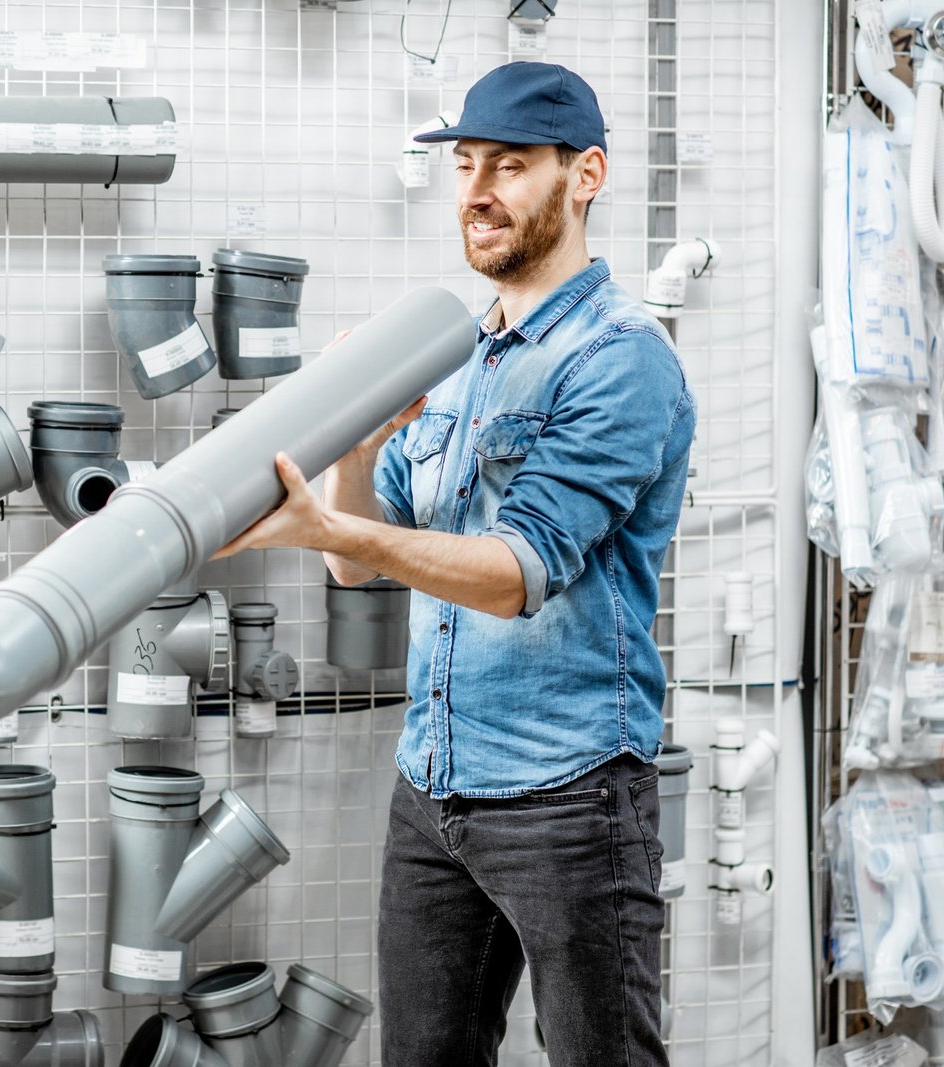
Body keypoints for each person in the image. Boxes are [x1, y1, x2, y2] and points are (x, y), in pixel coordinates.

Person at [216, 61, 694, 1066]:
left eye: (510, 165)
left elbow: (518, 571)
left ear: (586, 174)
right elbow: (356, 567)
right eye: (466, 163)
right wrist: (353, 443)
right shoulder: (455, 357)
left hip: (568, 794)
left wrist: (340, 534)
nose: (476, 190)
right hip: (433, 784)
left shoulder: (619, 358)